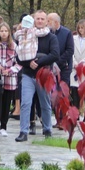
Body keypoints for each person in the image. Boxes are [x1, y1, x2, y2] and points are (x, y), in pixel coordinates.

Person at [14, 10, 59, 142]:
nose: (39, 21)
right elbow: (18, 57)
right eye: (37, 19)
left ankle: (47, 129)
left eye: (42, 19)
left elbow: (55, 55)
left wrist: (38, 61)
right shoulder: (25, 36)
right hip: (28, 74)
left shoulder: (51, 37)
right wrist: (29, 63)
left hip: (44, 75)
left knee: (45, 103)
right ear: (34, 21)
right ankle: (23, 131)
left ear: (46, 21)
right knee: (26, 103)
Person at [0, 22, 21, 136]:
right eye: (1, 31)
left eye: (6, 31)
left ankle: (4, 126)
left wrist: (9, 70)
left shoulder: (14, 46)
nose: (4, 33)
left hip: (9, 78)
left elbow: (19, 63)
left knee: (6, 103)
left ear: (9, 32)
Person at [48, 13, 74, 86]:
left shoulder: (67, 33)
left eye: (49, 21)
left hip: (64, 68)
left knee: (62, 93)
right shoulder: (47, 32)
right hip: (50, 67)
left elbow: (70, 50)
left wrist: (57, 62)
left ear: (56, 22)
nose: (47, 23)